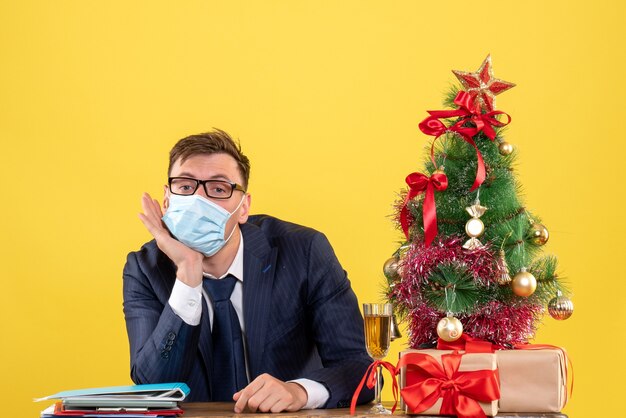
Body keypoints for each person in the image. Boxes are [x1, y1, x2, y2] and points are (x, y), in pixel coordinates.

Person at [123, 129, 374, 413]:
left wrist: (299, 392)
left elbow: (361, 369)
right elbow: (153, 387)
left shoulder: (303, 251)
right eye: (185, 186)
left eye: (218, 189)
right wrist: (188, 272)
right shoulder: (144, 268)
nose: (199, 200)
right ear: (167, 201)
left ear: (243, 209)